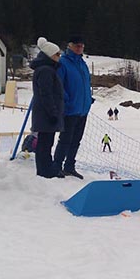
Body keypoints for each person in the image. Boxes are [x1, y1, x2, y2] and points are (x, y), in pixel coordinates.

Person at [53, 35, 92, 179]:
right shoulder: (63, 63)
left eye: (81, 46)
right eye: (77, 46)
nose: (79, 48)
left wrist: (89, 99)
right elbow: (58, 85)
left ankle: (69, 166)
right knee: (65, 139)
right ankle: (56, 166)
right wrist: (67, 101)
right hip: (70, 109)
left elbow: (86, 84)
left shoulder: (83, 63)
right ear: (69, 46)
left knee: (76, 140)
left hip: (83, 109)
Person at [30, 37, 64, 178]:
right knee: (45, 144)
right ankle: (45, 171)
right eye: (57, 54)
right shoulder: (45, 70)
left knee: (46, 143)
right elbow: (46, 94)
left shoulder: (47, 69)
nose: (59, 57)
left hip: (45, 113)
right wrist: (53, 113)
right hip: (46, 114)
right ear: (50, 55)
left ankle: (46, 168)